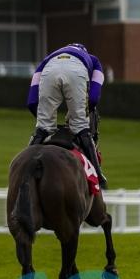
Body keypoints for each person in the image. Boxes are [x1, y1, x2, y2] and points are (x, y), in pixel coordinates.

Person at [27, 43, 106, 189]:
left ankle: (25, 170)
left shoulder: (48, 58)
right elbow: (94, 98)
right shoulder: (94, 60)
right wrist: (81, 115)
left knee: (42, 128)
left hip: (49, 71)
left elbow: (32, 102)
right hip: (77, 71)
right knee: (81, 127)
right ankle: (99, 177)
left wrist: (44, 123)